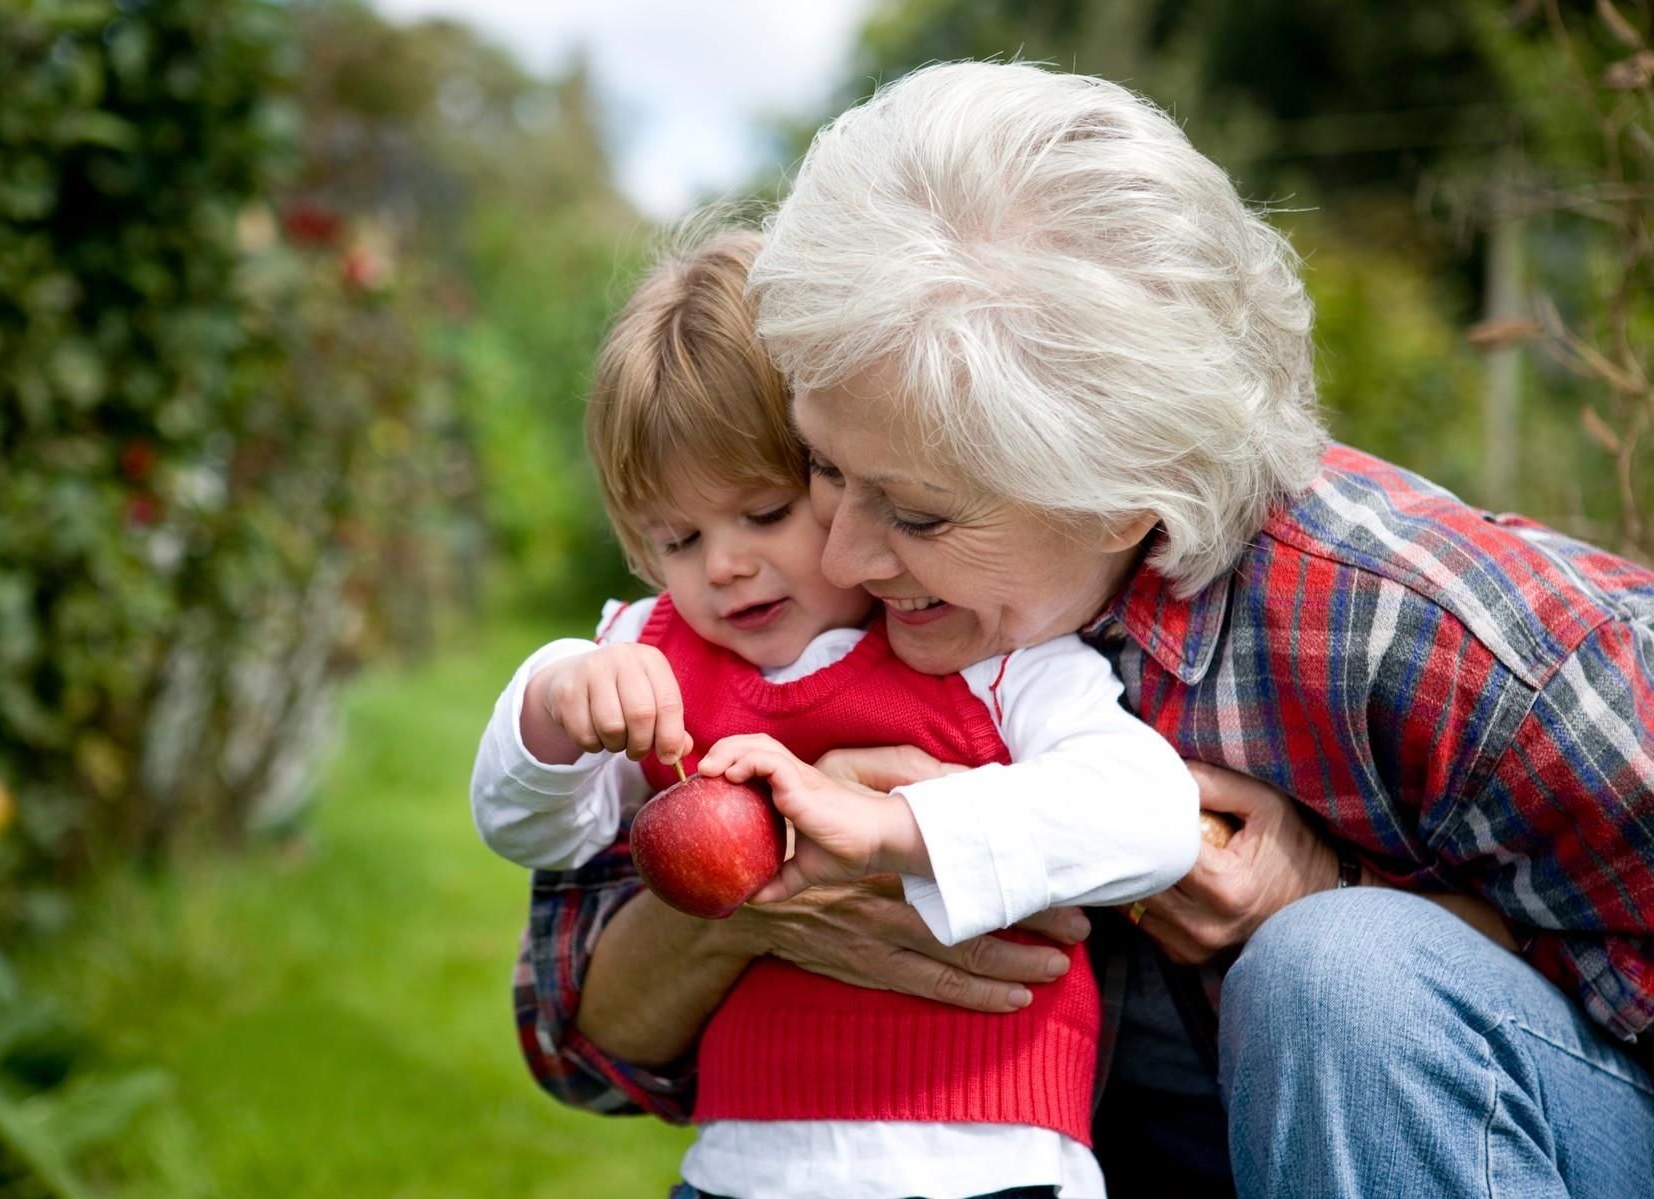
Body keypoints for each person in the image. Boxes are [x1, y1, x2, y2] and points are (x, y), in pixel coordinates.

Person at [511, 63, 1654, 1199]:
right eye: (820, 469)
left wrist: (1330, 892)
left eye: (915, 511)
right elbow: (577, 1037)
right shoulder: (786, 618)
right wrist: (759, 903)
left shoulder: (1439, 642)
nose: (846, 555)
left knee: (1340, 971)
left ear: (1122, 493)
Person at [471, 227, 1203, 1198]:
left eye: (765, 513)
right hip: (748, 1166)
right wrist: (555, 705)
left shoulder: (984, 652)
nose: (724, 564)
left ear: (849, 472)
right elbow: (530, 828)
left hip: (987, 1156)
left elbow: (1151, 812)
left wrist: (900, 828)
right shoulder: (650, 656)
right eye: (678, 537)